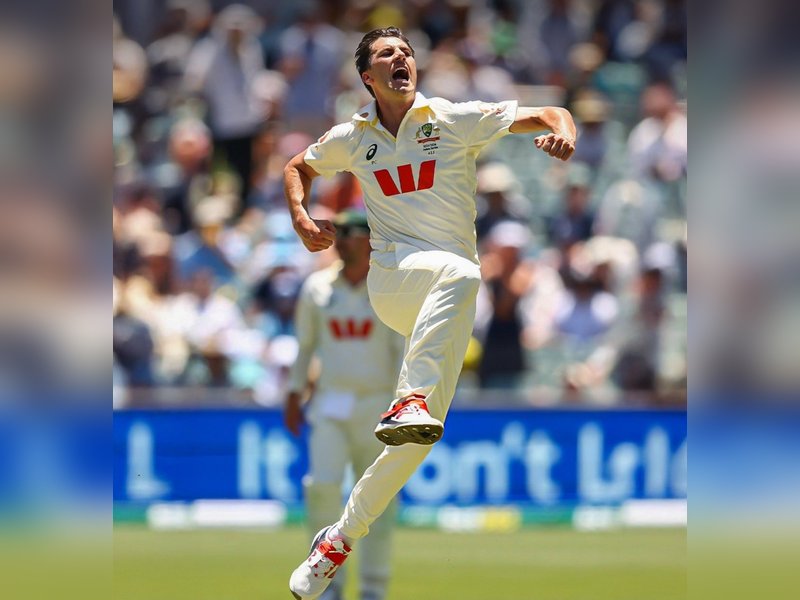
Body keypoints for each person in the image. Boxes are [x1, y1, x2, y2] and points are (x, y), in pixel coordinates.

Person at [283, 27, 576, 600]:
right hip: (395, 281)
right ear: (368, 78)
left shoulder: (450, 119)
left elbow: (548, 112)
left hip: (444, 302)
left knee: (416, 442)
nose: (401, 59)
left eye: (407, 52)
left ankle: (336, 542)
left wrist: (562, 133)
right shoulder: (353, 137)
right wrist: (300, 216)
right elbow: (299, 166)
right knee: (464, 273)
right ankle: (409, 397)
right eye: (386, 54)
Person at [284, 211, 404, 600]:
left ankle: (373, 587)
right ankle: (327, 585)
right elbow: (305, 346)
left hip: (377, 404)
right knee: (322, 489)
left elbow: (401, 351)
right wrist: (294, 392)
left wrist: (404, 401)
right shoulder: (318, 288)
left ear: (370, 240)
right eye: (341, 235)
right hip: (330, 402)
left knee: (378, 501)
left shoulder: (387, 287)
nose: (343, 242)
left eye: (352, 235)